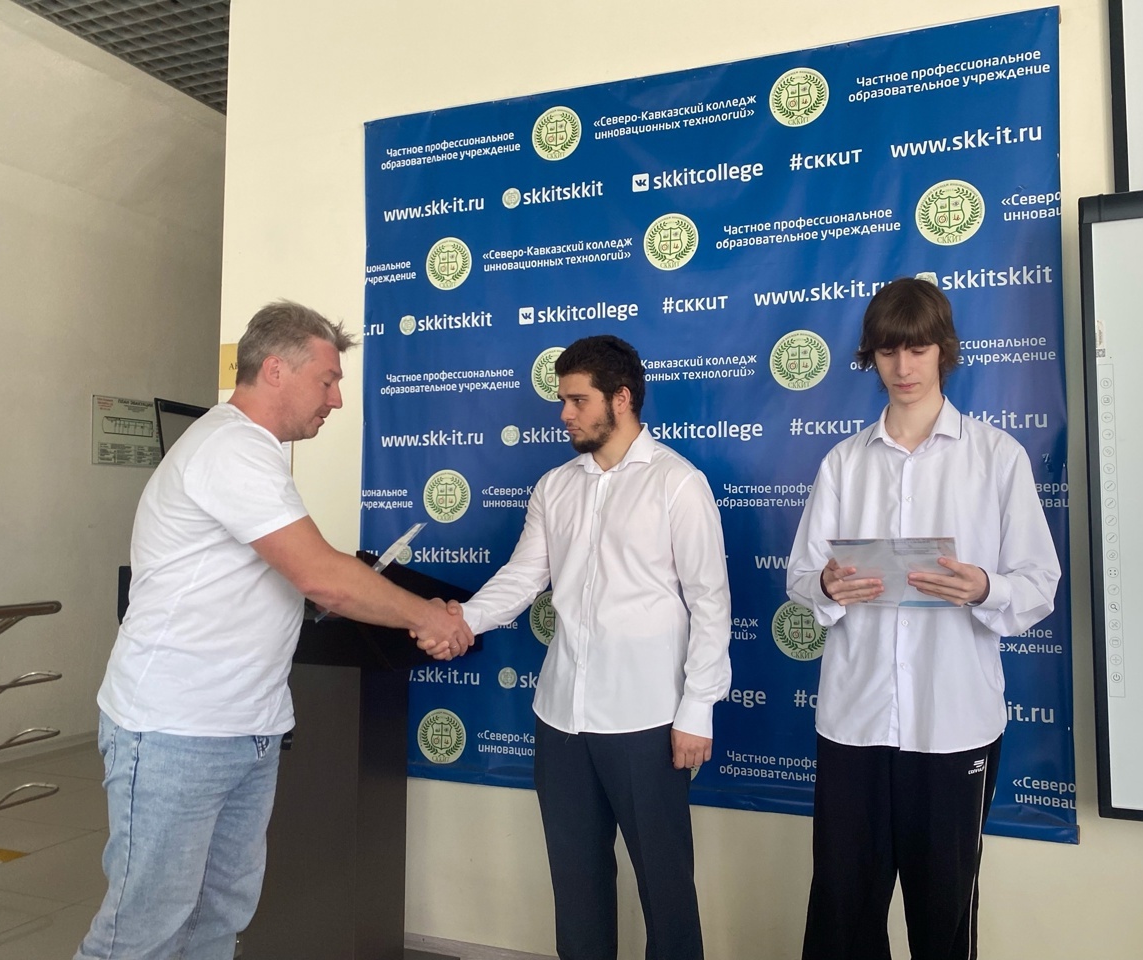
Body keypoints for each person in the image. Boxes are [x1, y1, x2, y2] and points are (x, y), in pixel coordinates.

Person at [75, 301, 474, 960]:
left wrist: (383, 601)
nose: (336, 399)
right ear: (277, 371)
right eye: (328, 380)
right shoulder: (231, 447)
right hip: (177, 731)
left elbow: (297, 572)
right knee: (141, 932)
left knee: (216, 920)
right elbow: (321, 575)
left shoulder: (254, 452)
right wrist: (430, 617)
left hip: (246, 729)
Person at [786, 278, 1060, 960]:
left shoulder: (996, 457)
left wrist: (984, 586)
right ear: (871, 357)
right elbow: (801, 577)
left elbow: (1039, 583)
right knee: (843, 912)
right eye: (887, 351)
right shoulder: (844, 462)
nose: (903, 367)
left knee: (944, 916)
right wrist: (826, 585)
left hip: (953, 724)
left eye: (916, 349)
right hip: (854, 720)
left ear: (943, 350)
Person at [460, 334, 731, 960]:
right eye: (563, 400)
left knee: (666, 887)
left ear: (622, 398)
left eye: (578, 400)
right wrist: (461, 621)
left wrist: (698, 708)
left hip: (648, 719)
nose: (565, 414)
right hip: (561, 718)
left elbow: (711, 603)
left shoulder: (678, 484)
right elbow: (523, 577)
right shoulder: (555, 486)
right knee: (576, 887)